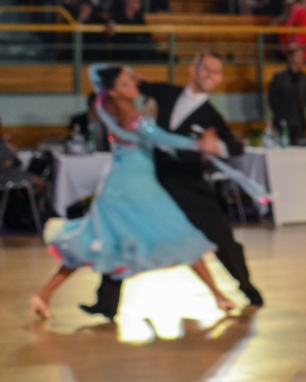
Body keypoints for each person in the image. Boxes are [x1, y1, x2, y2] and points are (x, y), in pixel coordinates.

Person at [31, 65, 241, 320]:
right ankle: (218, 295)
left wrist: (123, 77)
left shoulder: (109, 112)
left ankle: (43, 295)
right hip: (138, 192)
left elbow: (97, 73)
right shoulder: (136, 120)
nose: (133, 85)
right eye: (125, 83)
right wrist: (199, 143)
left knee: (91, 245)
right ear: (113, 92)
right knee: (181, 237)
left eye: (130, 80)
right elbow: (167, 139)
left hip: (116, 189)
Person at [80, 54, 264, 320]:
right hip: (152, 181)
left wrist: (217, 146)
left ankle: (249, 291)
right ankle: (106, 303)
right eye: (206, 69)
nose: (210, 75)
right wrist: (129, 76)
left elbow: (235, 147)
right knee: (125, 235)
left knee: (223, 239)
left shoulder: (211, 115)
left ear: (220, 78)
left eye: (216, 72)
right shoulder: (166, 92)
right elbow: (122, 83)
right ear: (193, 70)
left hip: (189, 185)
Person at [268, 45, 306, 144]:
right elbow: (272, 99)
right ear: (290, 57)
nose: (300, 59)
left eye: (301, 57)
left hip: (300, 123)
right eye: (297, 56)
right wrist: (280, 115)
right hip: (283, 122)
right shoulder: (279, 77)